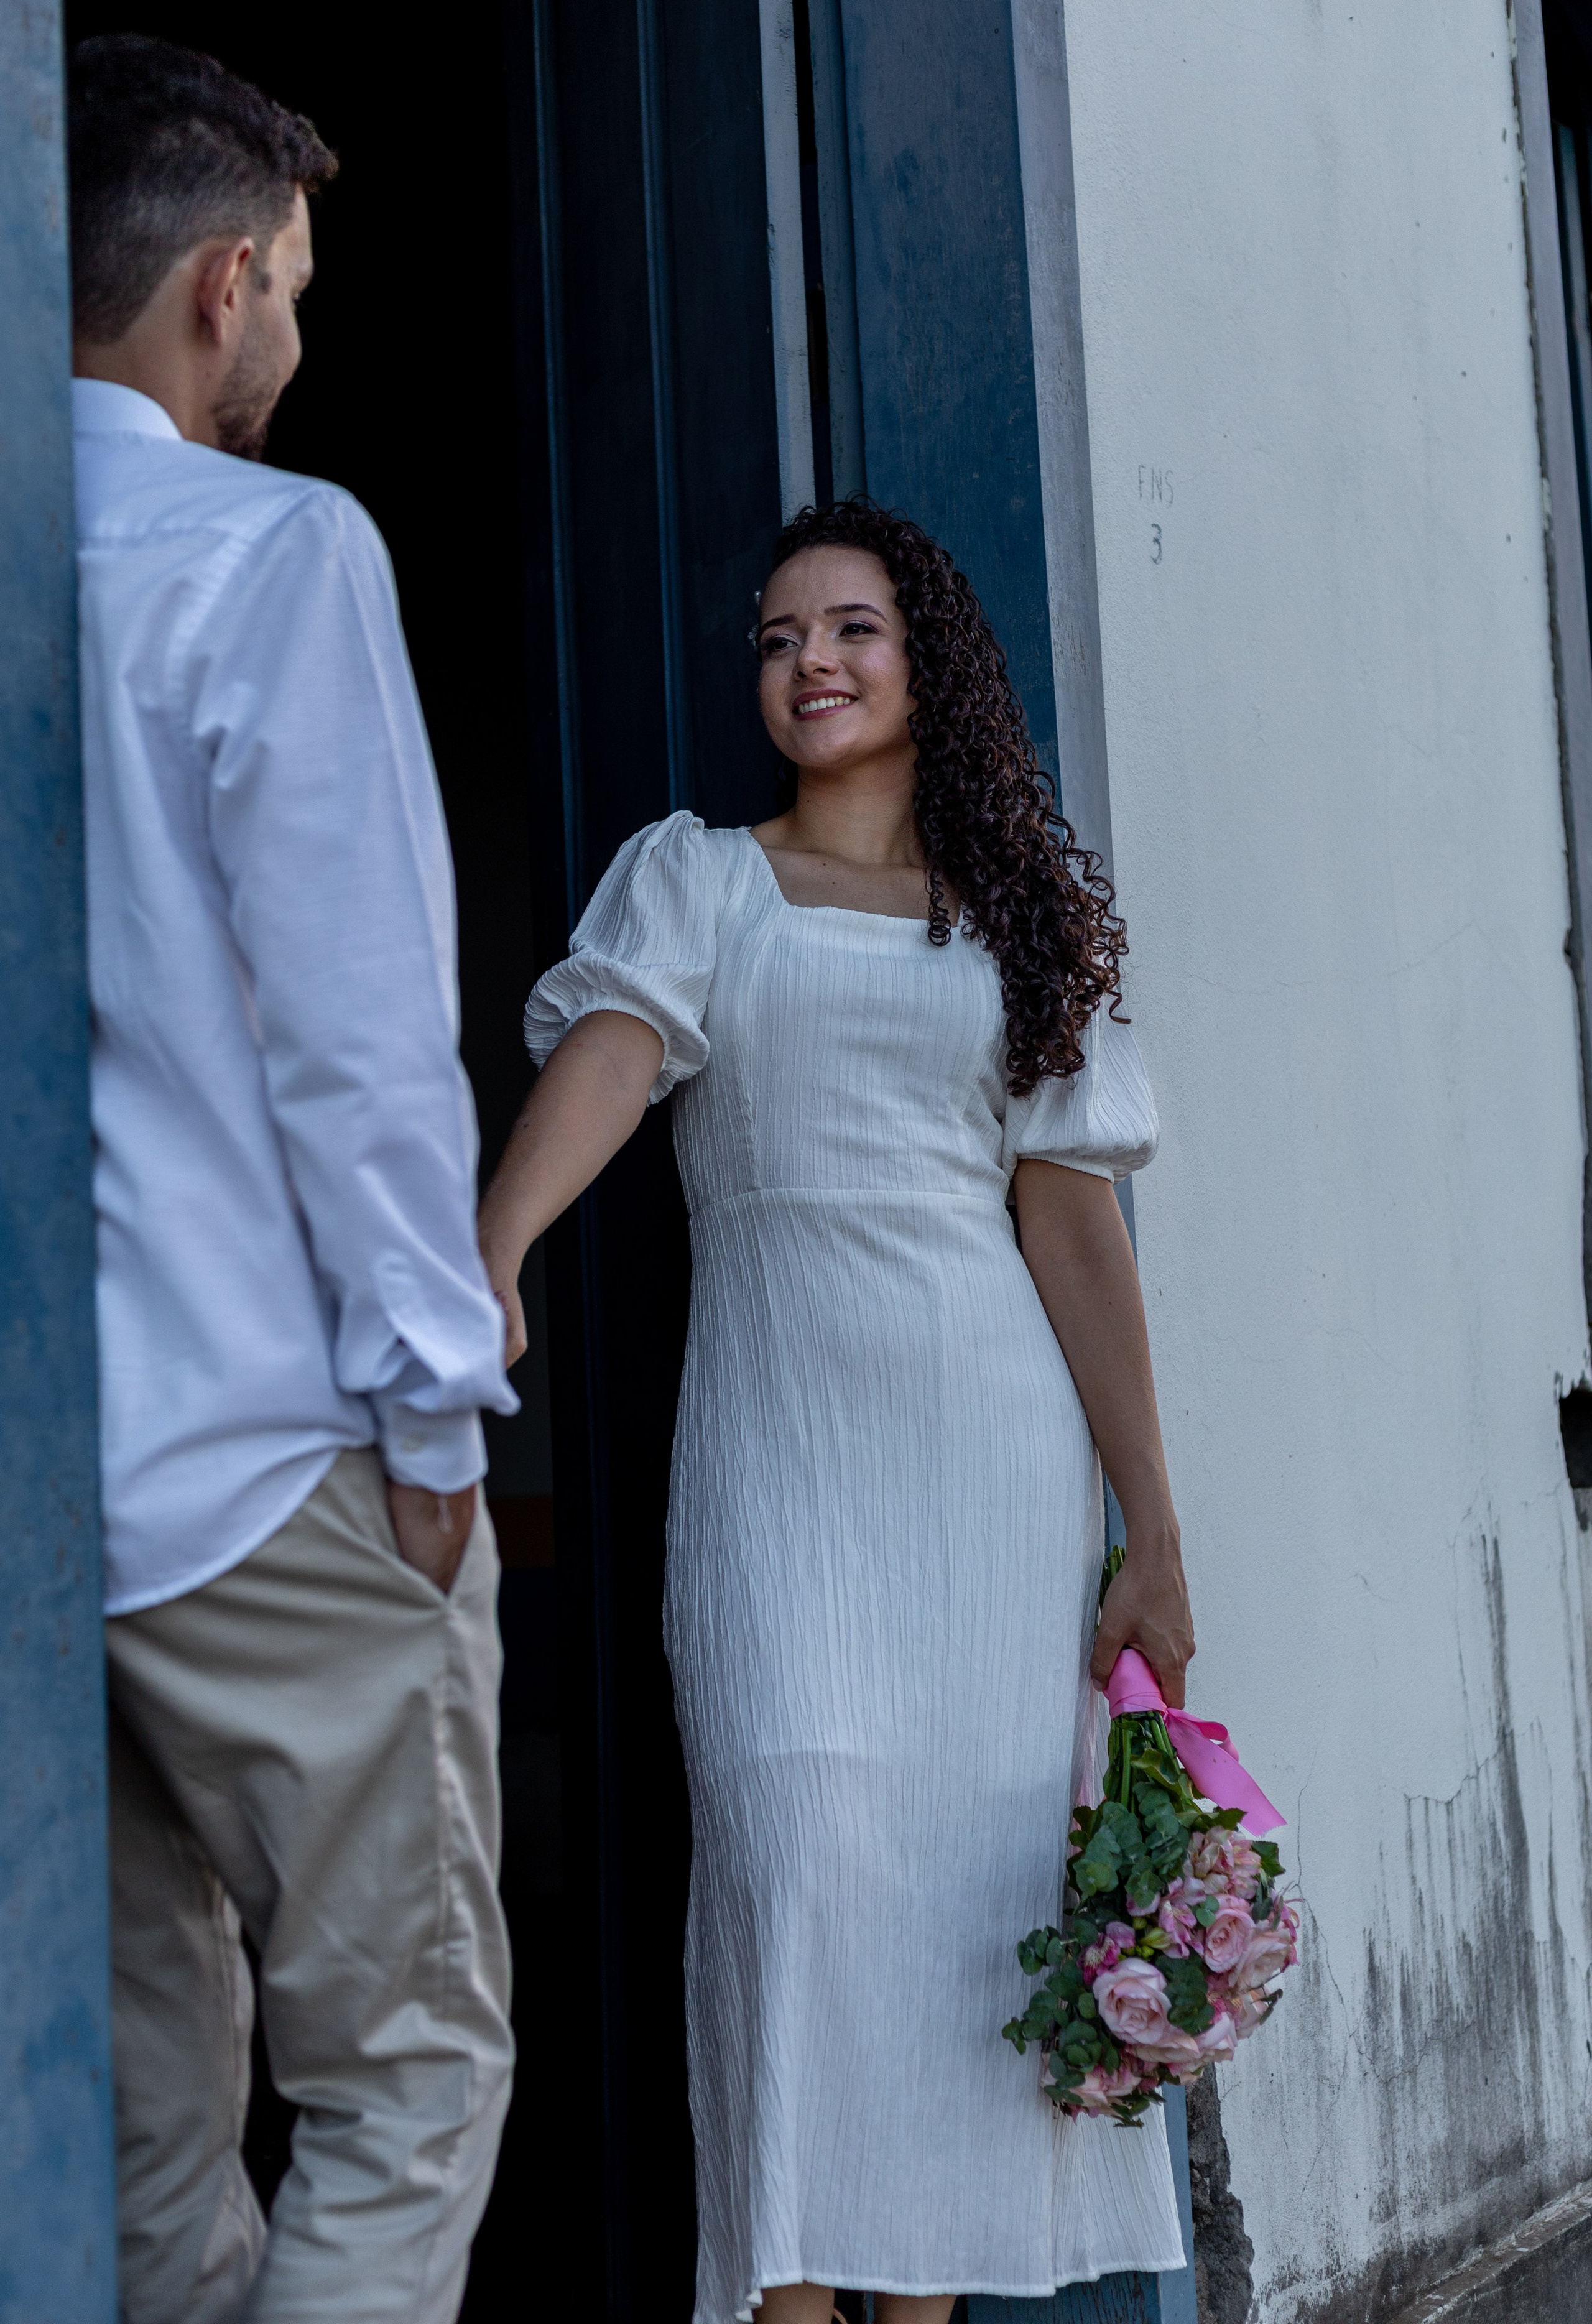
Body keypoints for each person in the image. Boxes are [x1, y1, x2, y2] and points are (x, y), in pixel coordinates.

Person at [478, 498, 1196, 2322]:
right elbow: (612, 1061)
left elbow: (1074, 1226)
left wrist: (1154, 1531)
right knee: (796, 1873)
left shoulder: (1016, 919)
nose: (810, 661)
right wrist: (488, 1257)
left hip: (992, 1464)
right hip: (781, 1462)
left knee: (963, 1929)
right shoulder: (702, 879)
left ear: (924, 659)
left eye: (852, 628)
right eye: (782, 636)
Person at [68, 34, 517, 2324]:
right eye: (304, 291)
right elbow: (357, 1040)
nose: (307, 342)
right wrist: (433, 1412)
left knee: (139, 2129)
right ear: (220, 286)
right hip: (261, 1471)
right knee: (412, 2078)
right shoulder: (268, 551)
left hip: (59, 1497)